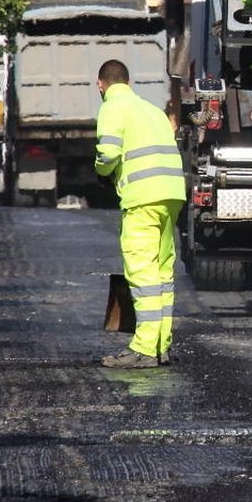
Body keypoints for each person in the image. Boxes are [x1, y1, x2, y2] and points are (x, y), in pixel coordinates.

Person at [94, 59, 185, 369]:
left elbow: (108, 152)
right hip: (171, 195)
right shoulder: (152, 111)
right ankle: (161, 345)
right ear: (130, 84)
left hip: (142, 199)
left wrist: (101, 170)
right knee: (162, 272)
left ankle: (144, 349)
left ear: (100, 85)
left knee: (142, 273)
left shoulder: (112, 106)